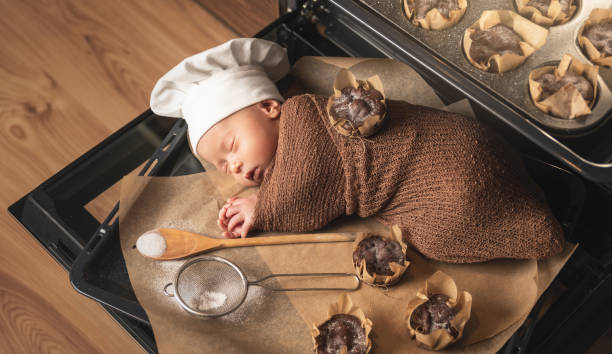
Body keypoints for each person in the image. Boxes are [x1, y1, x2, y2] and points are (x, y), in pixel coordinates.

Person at [150, 38, 564, 263]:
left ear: (271, 107)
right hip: (476, 141)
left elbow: (309, 187)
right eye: (224, 166)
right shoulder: (305, 124)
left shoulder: (305, 121)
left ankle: (533, 234)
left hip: (454, 186)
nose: (234, 167)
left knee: (437, 235)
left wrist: (263, 208)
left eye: (233, 146)